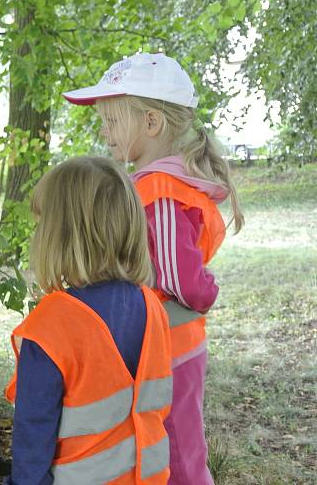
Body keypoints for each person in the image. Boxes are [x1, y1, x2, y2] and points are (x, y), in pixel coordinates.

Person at [63, 52, 244, 484]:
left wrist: (207, 293)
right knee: (164, 441)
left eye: (111, 119)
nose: (103, 130)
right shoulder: (154, 181)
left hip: (171, 346)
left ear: (150, 123)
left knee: (178, 450)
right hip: (159, 344)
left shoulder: (158, 191)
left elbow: (179, 278)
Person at [4, 156, 173, 484]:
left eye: (42, 224)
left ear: (59, 235)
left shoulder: (50, 325)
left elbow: (32, 435)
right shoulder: (151, 306)